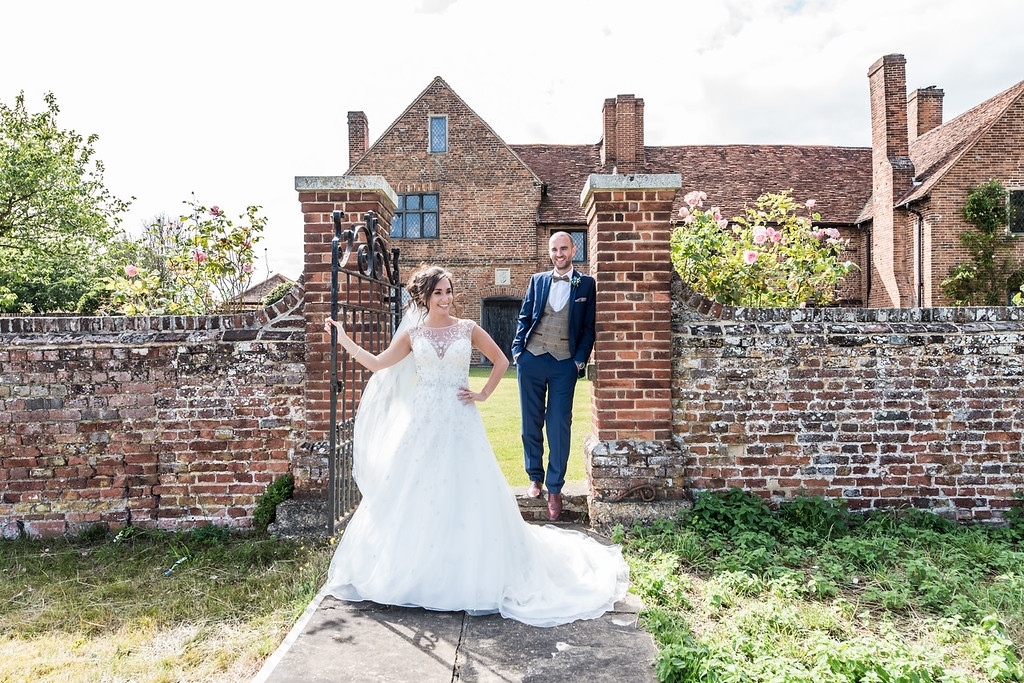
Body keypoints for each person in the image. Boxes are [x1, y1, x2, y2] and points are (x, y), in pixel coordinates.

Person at [320, 265, 628, 627]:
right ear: (424, 297)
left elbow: (501, 360)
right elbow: (376, 363)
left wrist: (482, 393)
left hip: (461, 420)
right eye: (438, 293)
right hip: (423, 424)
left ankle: (472, 568)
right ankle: (417, 569)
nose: (446, 299)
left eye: (449, 291)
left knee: (467, 490)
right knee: (415, 491)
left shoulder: (468, 328)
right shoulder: (413, 334)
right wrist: (342, 337)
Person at [511, 233, 596, 522]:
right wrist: (518, 350)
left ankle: (556, 488)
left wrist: (578, 361)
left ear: (574, 249)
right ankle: (535, 478)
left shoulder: (586, 284)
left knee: (559, 423)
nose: (559, 254)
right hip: (532, 358)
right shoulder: (538, 280)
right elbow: (525, 317)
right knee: (530, 421)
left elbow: (588, 328)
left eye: (564, 248)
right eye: (554, 250)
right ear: (549, 253)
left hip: (564, 363)